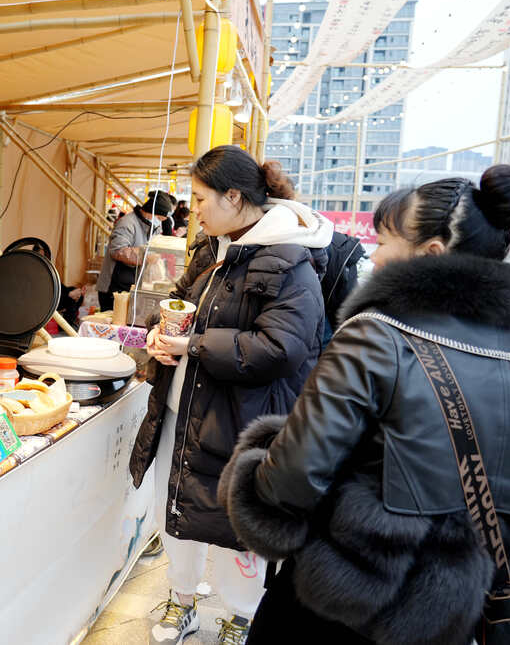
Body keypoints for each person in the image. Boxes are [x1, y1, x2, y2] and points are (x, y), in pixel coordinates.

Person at [221, 166, 510, 644]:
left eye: (385, 241)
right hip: (445, 609)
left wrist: (254, 472)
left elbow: (292, 477)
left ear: (430, 254)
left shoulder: (375, 335)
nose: (373, 256)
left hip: (340, 596)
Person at [128, 146, 332, 645]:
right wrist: (160, 330)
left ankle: (242, 618)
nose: (192, 209)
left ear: (234, 197)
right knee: (175, 509)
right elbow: (179, 302)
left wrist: (192, 344)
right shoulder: (211, 249)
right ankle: (182, 601)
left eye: (199, 199)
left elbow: (280, 349)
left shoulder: (290, 263)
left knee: (238, 529)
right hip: (182, 409)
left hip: (244, 422)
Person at [96, 191, 175, 313]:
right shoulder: (127, 223)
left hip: (132, 284)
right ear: (151, 212)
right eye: (159, 218)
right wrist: (145, 256)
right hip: (114, 287)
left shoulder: (151, 225)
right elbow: (117, 250)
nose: (160, 222)